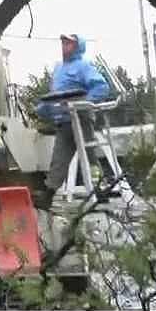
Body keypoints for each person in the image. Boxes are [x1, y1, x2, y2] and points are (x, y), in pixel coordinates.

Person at [41, 33, 112, 196]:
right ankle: (49, 192)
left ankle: (99, 188)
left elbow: (101, 87)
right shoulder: (58, 68)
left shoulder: (84, 66)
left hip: (81, 118)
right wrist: (44, 109)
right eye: (63, 43)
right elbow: (55, 94)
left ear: (77, 47)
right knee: (59, 158)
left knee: (89, 155)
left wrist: (85, 102)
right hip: (64, 120)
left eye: (69, 43)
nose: (64, 46)